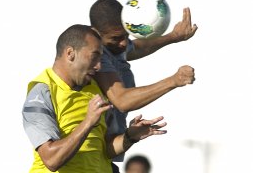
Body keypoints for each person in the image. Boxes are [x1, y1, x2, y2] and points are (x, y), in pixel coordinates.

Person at [22, 24, 168, 173]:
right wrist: (88, 122)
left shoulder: (96, 90)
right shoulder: (41, 92)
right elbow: (52, 160)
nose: (99, 66)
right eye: (94, 56)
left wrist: (129, 137)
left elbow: (105, 150)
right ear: (70, 53)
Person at [89, 0, 198, 163]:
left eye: (126, 35)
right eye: (116, 38)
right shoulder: (97, 56)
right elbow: (122, 100)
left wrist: (174, 36)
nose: (124, 43)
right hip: (88, 160)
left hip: (105, 158)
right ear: (96, 34)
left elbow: (139, 47)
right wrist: (173, 80)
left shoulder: (116, 47)